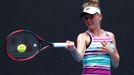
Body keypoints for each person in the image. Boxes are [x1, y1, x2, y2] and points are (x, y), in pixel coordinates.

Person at [66, 0, 120, 75]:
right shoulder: (83, 36)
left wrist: (111, 52)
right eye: (86, 18)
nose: (88, 20)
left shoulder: (110, 36)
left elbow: (116, 64)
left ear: (100, 16)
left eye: (91, 17)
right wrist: (73, 49)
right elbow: (78, 58)